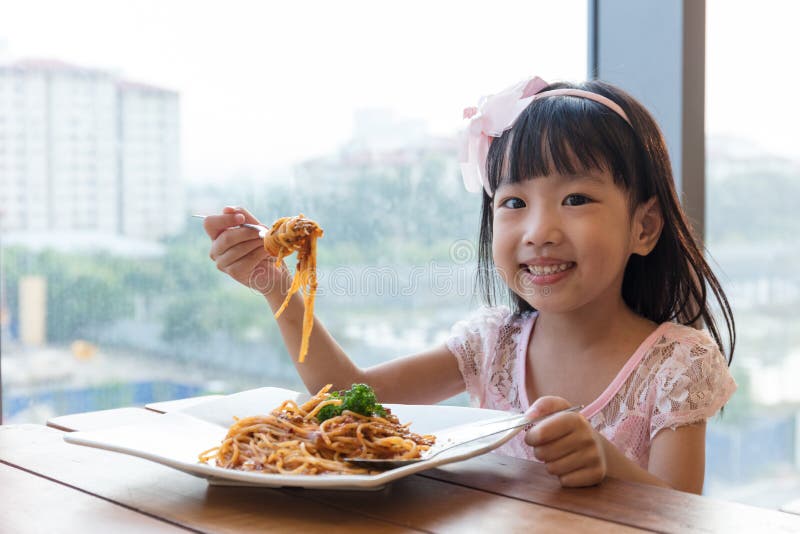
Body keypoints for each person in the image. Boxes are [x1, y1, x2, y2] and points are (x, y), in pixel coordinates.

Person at [203, 75, 736, 494]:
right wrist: (278, 288)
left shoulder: (677, 364)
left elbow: (681, 515)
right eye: (514, 203)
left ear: (643, 228)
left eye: (575, 199)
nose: (539, 231)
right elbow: (347, 398)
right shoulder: (493, 343)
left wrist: (608, 464)